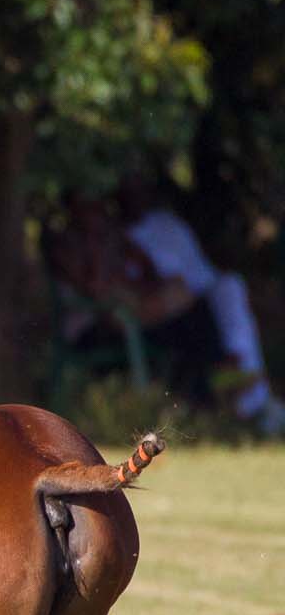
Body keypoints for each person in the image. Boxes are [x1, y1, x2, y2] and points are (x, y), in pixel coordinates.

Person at [118, 185, 285, 434]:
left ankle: (250, 391)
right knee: (200, 318)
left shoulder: (167, 223)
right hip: (166, 315)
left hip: (196, 300)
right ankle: (239, 392)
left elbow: (199, 272)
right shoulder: (120, 237)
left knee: (230, 288)